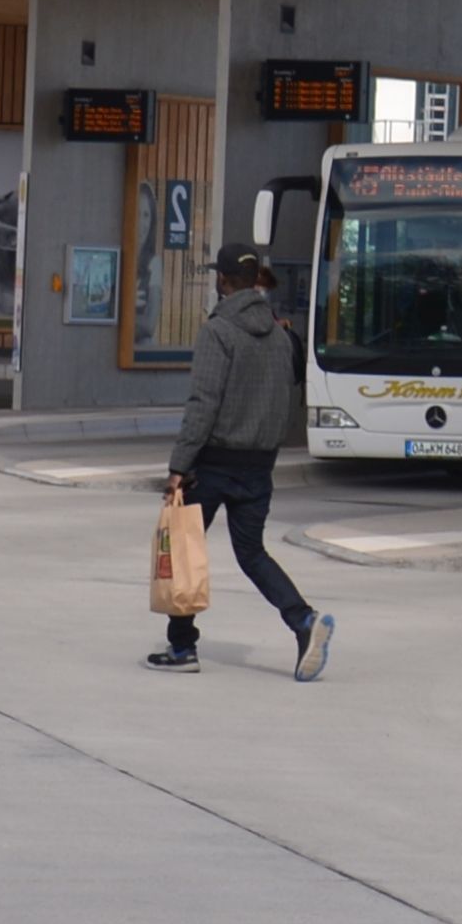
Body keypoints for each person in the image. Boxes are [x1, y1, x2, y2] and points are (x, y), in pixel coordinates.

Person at [147, 248, 332, 681]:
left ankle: (182, 647)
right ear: (255, 280)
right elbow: (289, 394)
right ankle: (303, 620)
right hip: (259, 465)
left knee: (185, 548)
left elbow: (203, 403)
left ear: (224, 280)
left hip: (211, 464)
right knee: (252, 553)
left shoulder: (219, 331)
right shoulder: (282, 335)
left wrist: (179, 466)